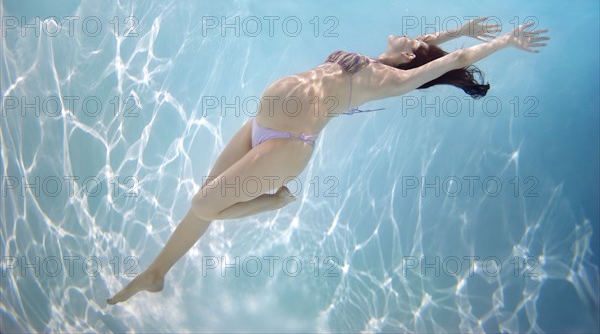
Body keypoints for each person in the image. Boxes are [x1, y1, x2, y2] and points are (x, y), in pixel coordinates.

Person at [107, 18, 549, 305]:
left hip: (287, 143)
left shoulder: (395, 78)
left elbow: (455, 60)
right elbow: (435, 44)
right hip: (261, 124)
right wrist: (463, 27)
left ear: (412, 56)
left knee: (204, 204)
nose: (413, 33)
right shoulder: (384, 59)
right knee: (204, 197)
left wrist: (504, 41)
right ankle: (156, 271)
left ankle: (274, 203)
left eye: (415, 42)